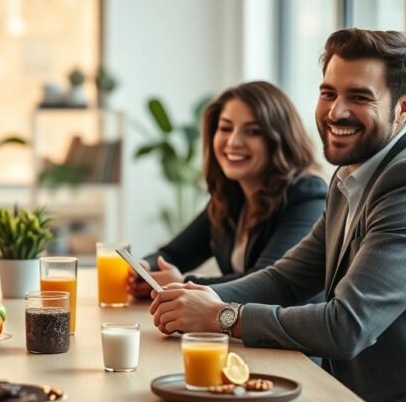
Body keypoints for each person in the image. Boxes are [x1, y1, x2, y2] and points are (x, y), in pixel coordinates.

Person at [151, 29, 406, 402]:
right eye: (328, 92)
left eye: (359, 97)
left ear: (405, 106)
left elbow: (346, 325)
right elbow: (287, 278)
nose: (336, 112)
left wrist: (223, 316)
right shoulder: (354, 174)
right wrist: (199, 297)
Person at [128, 81, 326, 297]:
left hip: (290, 330)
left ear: (279, 140)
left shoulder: (308, 197)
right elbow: (172, 254)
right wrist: (145, 270)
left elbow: (268, 281)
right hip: (238, 329)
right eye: (225, 128)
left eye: (252, 131)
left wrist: (185, 282)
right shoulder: (231, 197)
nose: (233, 141)